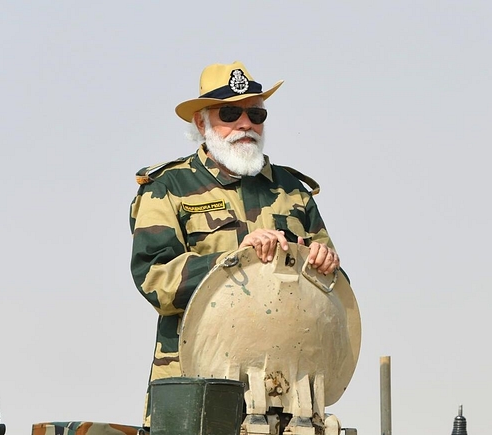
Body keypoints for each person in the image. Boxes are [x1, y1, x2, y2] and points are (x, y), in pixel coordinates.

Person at [129, 60, 340, 428]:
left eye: (256, 114)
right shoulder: (168, 188)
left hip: (288, 401)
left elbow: (333, 295)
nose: (246, 124)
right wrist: (234, 261)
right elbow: (155, 279)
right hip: (196, 392)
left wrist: (324, 263)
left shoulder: (292, 190)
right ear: (202, 122)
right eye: (230, 112)